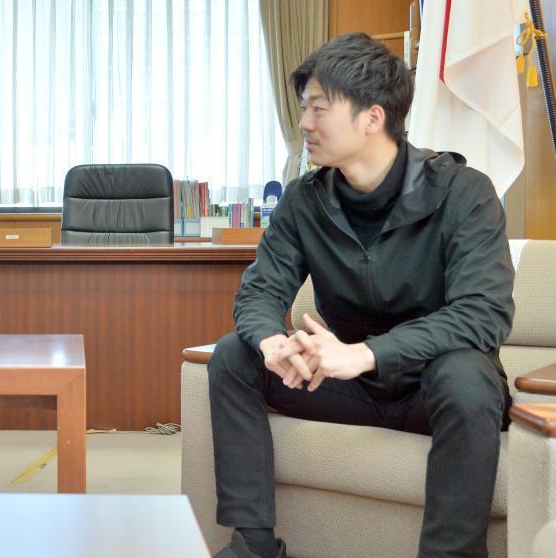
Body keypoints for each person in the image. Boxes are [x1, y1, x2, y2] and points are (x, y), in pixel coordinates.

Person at [208, 33, 514, 558]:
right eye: (303, 108)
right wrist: (270, 341)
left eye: (319, 108)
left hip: (433, 388)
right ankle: (253, 545)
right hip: (349, 387)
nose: (304, 124)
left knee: (467, 374)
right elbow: (259, 291)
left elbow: (483, 314)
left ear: (373, 117)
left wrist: (367, 353)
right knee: (234, 354)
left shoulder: (463, 192)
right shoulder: (304, 200)